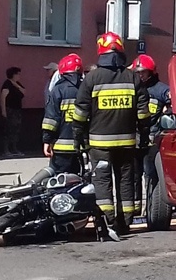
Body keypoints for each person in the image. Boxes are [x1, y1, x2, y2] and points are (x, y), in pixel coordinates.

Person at [72, 32, 150, 238]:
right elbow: (143, 113)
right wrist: (143, 135)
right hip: (126, 142)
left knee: (102, 181)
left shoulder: (92, 78)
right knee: (125, 180)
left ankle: (109, 221)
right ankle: (126, 222)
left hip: (99, 144)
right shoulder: (133, 77)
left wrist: (78, 137)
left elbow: (80, 112)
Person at [130, 55, 170, 221]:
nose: (140, 76)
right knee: (133, 176)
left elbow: (172, 110)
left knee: (150, 175)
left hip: (152, 141)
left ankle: (151, 209)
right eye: (137, 72)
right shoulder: (130, 88)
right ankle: (134, 210)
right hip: (133, 140)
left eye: (143, 72)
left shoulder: (161, 90)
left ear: (151, 72)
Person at [42, 54, 84, 175]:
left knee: (59, 181)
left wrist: (47, 140)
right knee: (78, 181)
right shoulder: (85, 88)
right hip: (81, 147)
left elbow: (51, 119)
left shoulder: (58, 90)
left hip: (61, 148)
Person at [0, 66, 26, 157]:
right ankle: (6, 150)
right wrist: (4, 112)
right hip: (9, 110)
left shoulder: (17, 84)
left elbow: (24, 92)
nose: (19, 76)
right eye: (18, 74)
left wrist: (17, 85)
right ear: (13, 75)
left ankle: (14, 148)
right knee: (8, 129)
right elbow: (3, 98)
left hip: (17, 110)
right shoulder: (7, 84)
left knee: (16, 130)